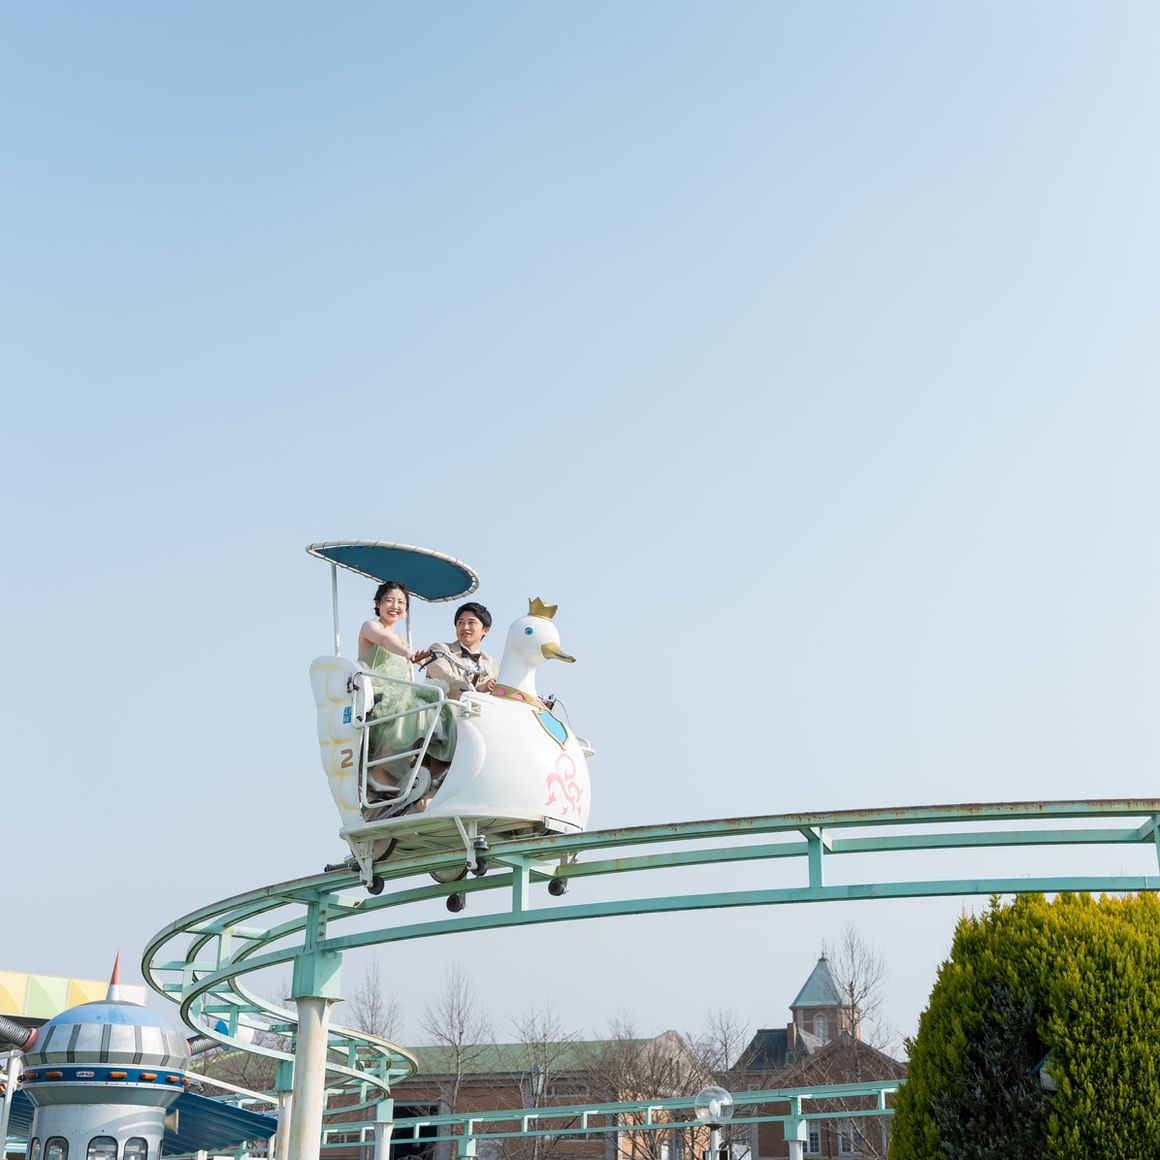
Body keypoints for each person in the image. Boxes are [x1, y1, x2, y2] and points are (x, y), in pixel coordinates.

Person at [357, 580, 454, 798]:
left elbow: (405, 673)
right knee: (408, 706)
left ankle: (435, 769)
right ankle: (379, 771)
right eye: (389, 600)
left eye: (401, 602)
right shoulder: (370, 626)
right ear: (378, 603)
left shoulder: (401, 640)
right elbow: (384, 639)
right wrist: (409, 654)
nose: (395, 606)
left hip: (397, 690)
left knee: (436, 703)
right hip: (376, 690)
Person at [423, 601, 499, 701]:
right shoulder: (439, 649)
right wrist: (477, 687)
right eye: (460, 622)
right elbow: (444, 678)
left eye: (471, 622)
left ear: (485, 630)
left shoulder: (490, 662)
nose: (465, 627)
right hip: (446, 709)